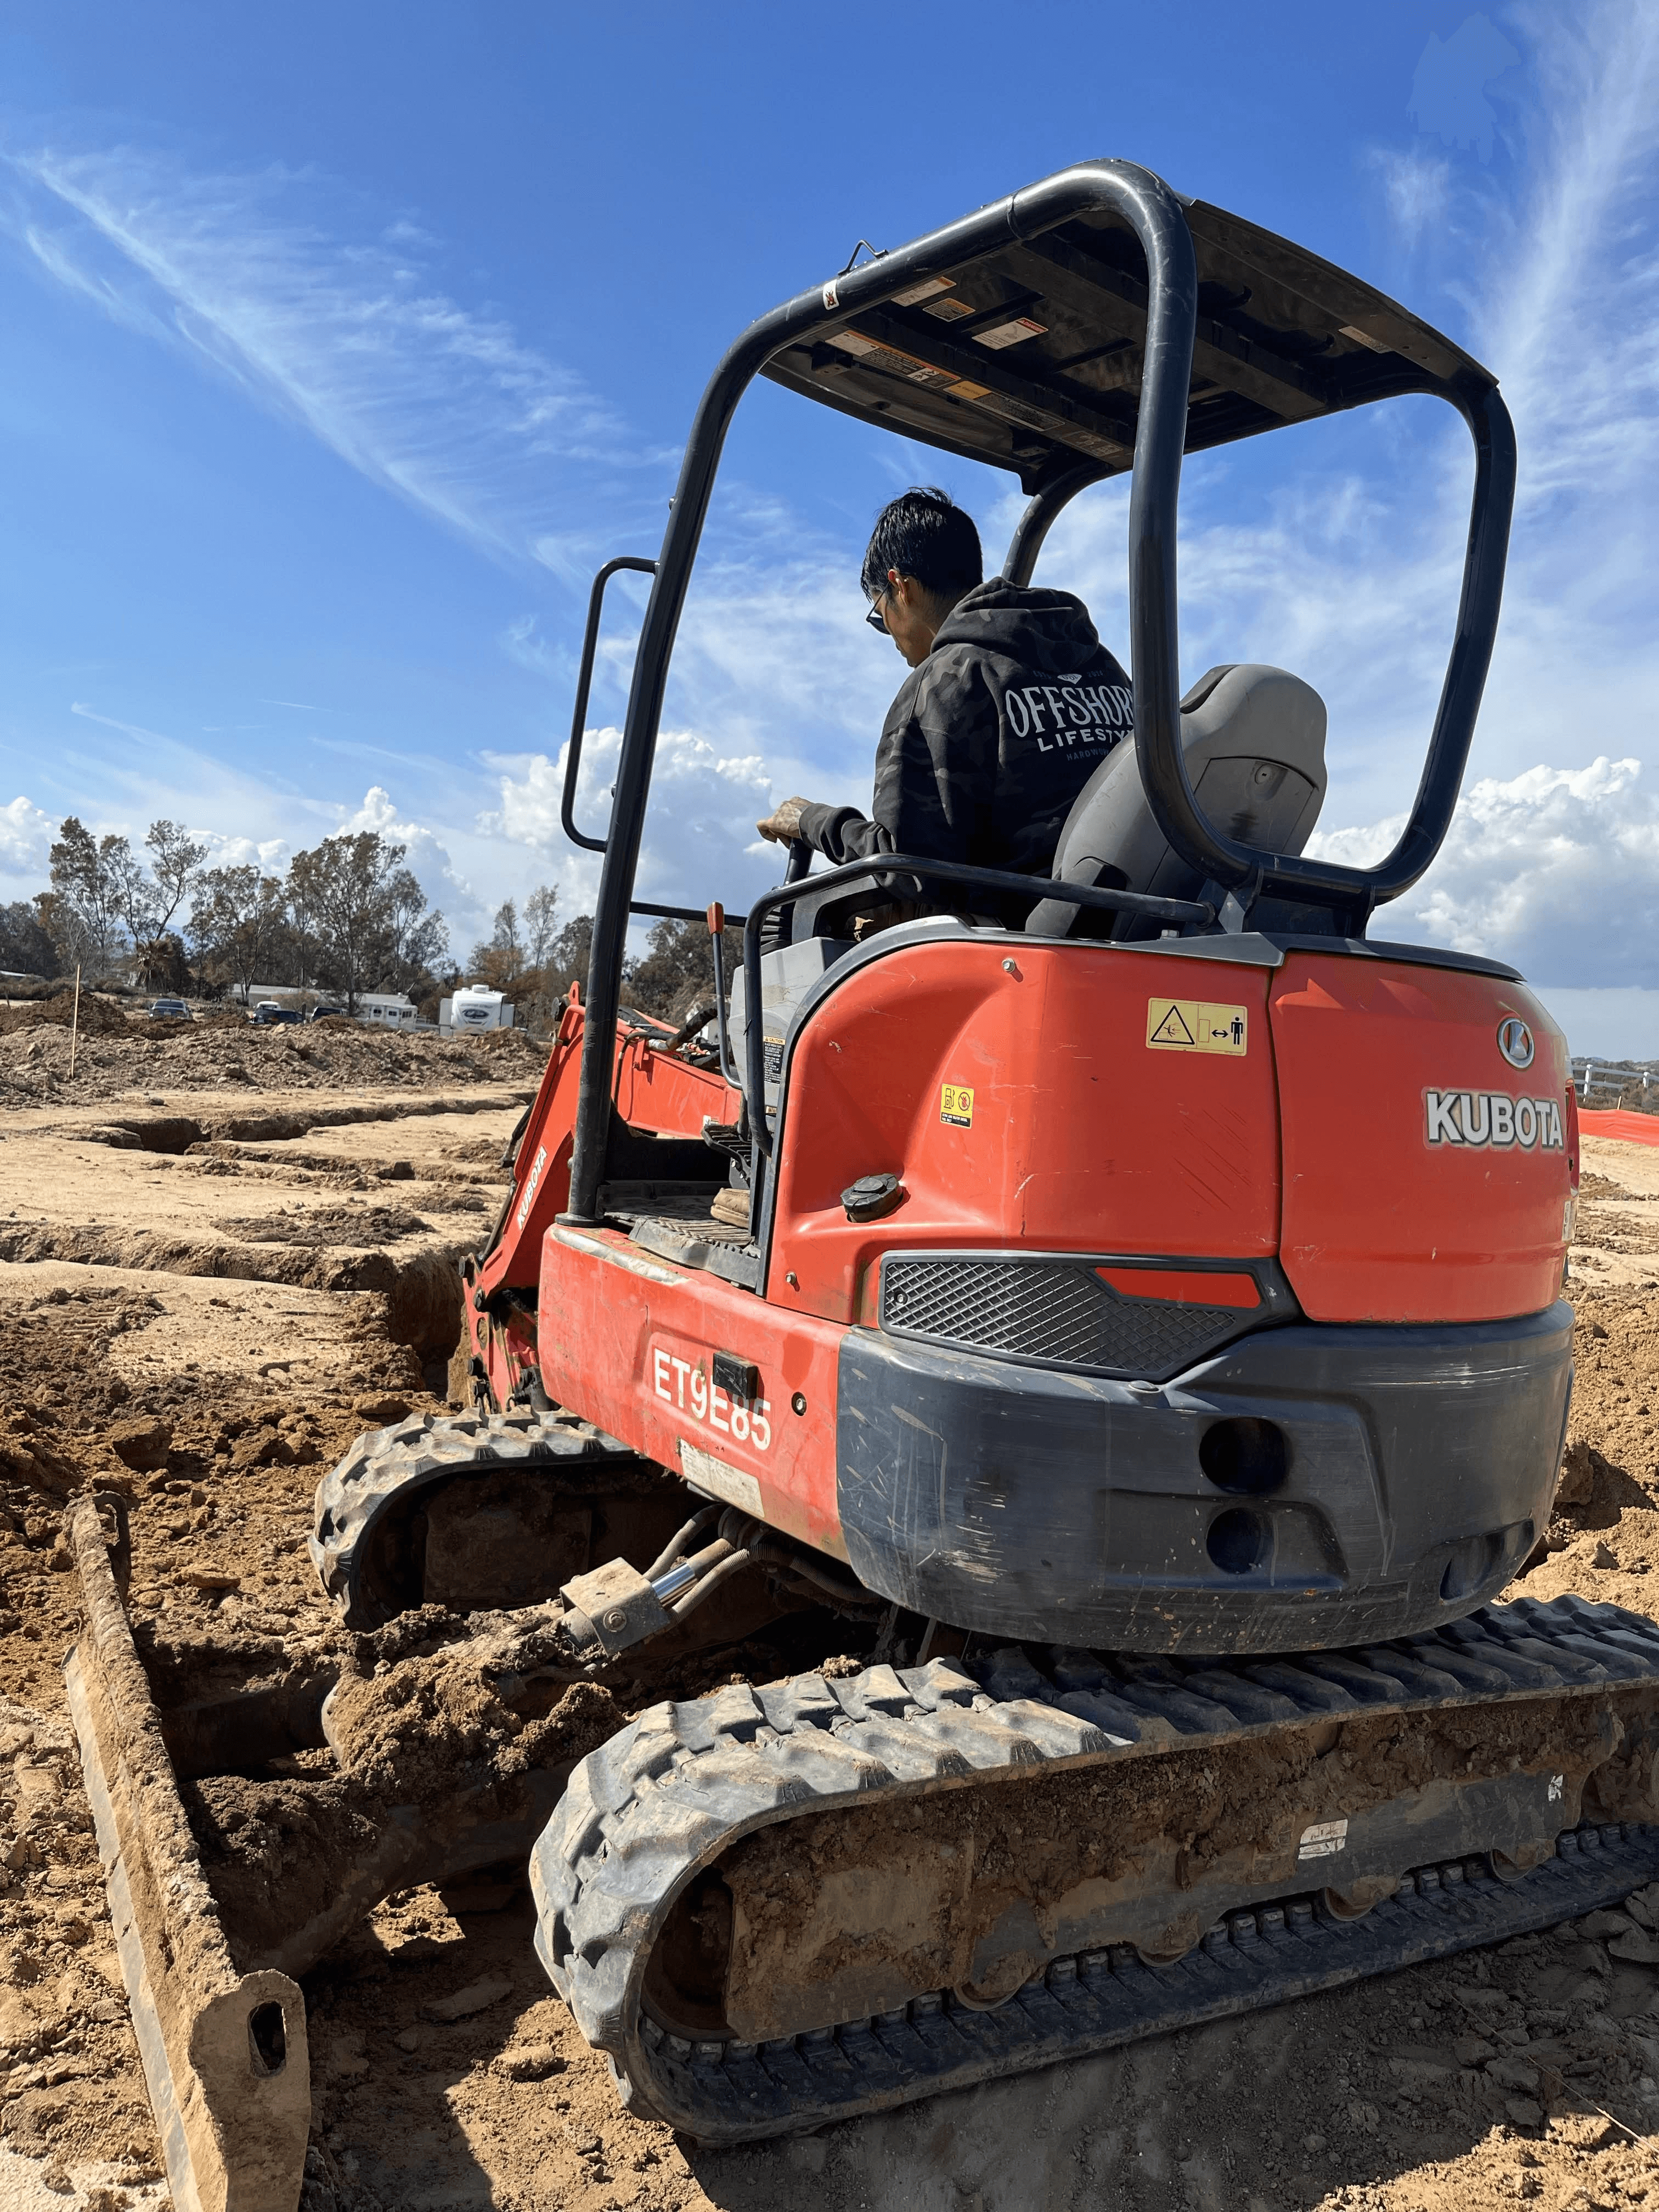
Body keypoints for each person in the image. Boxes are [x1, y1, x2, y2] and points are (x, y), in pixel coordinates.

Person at [755, 486, 1134, 917]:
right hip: (1132, 918)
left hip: (1022, 937)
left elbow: (909, 866)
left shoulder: (941, 684)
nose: (890, 634)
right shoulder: (1104, 667)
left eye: (880, 615)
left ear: (902, 587)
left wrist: (813, 822)